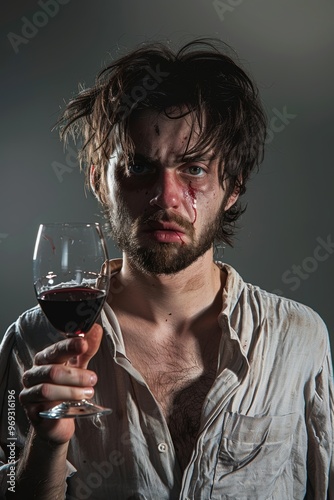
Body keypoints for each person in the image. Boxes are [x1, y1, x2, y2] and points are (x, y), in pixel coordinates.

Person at [0, 39, 333, 499]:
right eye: (139, 167)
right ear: (101, 181)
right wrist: (46, 443)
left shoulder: (299, 339)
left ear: (233, 186)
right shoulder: (31, 344)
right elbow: (12, 484)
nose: (165, 197)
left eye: (194, 168)